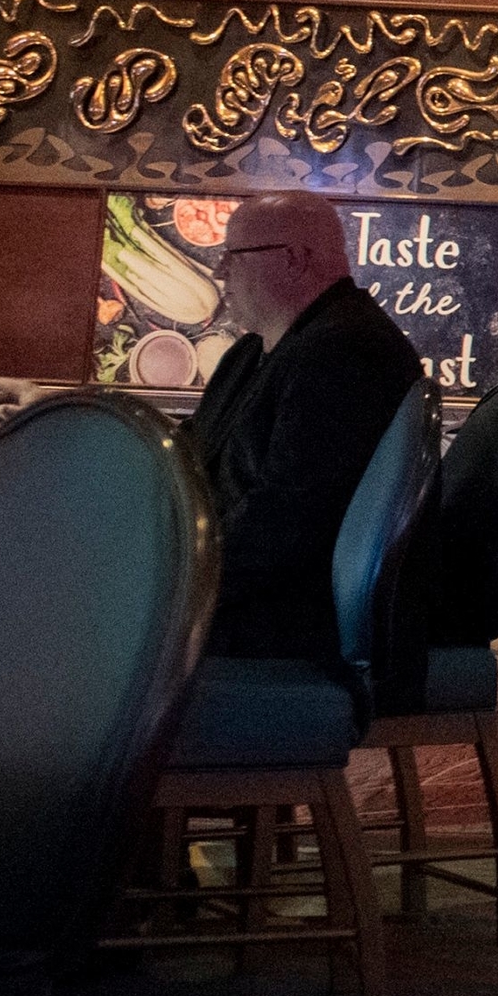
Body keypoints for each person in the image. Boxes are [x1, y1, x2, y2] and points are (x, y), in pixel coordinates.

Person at [190, 192, 426, 663]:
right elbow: (196, 452)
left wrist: (178, 582)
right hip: (252, 594)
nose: (220, 274)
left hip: (291, 619)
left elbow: (288, 522)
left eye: (231, 257)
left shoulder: (346, 353)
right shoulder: (255, 350)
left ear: (294, 260)